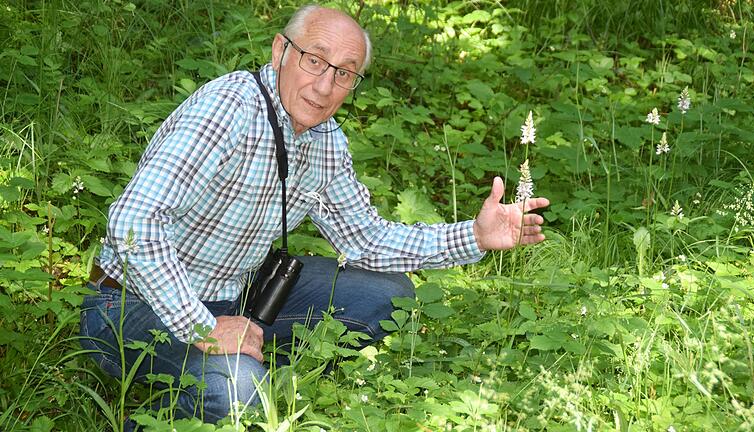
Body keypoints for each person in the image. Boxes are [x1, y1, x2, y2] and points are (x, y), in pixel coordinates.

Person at [79, 4, 549, 425]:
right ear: (281, 50)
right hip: (130, 305)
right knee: (241, 393)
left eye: (345, 73)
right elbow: (134, 222)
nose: (325, 86)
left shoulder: (325, 141)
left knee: (388, 298)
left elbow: (367, 241)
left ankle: (237, 370)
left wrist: (475, 236)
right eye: (314, 60)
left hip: (238, 293)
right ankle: (192, 400)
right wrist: (200, 325)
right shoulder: (228, 108)